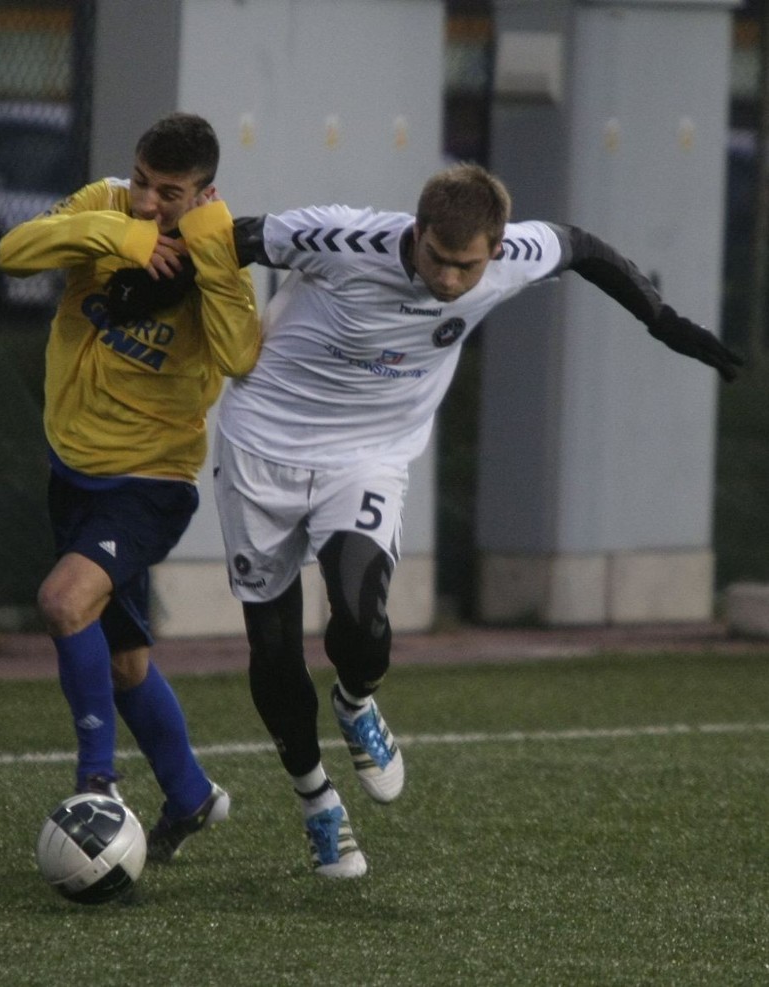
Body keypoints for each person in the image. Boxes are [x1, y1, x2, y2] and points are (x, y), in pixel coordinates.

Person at [213, 162, 742, 879]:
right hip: (261, 447)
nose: (451, 280)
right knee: (274, 649)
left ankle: (355, 699)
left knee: (362, 624)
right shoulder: (342, 237)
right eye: (437, 257)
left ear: (495, 249)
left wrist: (663, 319)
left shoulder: (512, 256)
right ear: (418, 228)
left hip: (367, 459)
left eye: (468, 265)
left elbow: (582, 246)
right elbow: (232, 239)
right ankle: (317, 804)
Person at [0, 112, 260, 862]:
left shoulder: (219, 252)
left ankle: (98, 786)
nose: (148, 199)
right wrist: (126, 236)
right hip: (72, 472)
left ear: (205, 192)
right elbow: (14, 251)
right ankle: (192, 794)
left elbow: (242, 355)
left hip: (149, 482)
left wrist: (209, 256)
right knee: (124, 662)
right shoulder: (108, 206)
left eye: (168, 193)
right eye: (142, 180)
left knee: (63, 599)